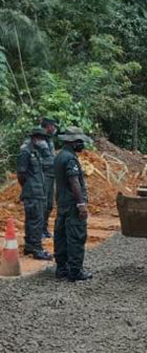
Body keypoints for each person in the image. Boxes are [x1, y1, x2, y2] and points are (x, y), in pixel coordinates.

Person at [53, 127, 93, 282]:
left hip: (62, 203)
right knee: (76, 236)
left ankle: (62, 269)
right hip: (72, 205)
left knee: (61, 236)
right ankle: (75, 272)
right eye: (79, 141)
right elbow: (74, 182)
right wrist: (81, 204)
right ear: (71, 142)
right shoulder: (70, 159)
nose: (81, 144)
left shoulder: (59, 156)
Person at [17, 128, 53, 260]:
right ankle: (37, 249)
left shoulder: (36, 152)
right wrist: (27, 188)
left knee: (33, 220)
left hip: (39, 192)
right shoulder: (25, 152)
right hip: (33, 193)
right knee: (36, 221)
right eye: (42, 138)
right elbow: (21, 174)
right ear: (36, 138)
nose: (44, 141)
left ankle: (30, 246)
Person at [39, 117, 59, 238]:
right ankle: (39, 229)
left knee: (49, 205)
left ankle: (44, 228)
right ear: (48, 127)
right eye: (53, 126)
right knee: (43, 204)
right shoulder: (39, 141)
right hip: (43, 175)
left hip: (51, 175)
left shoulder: (49, 140)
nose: (55, 128)